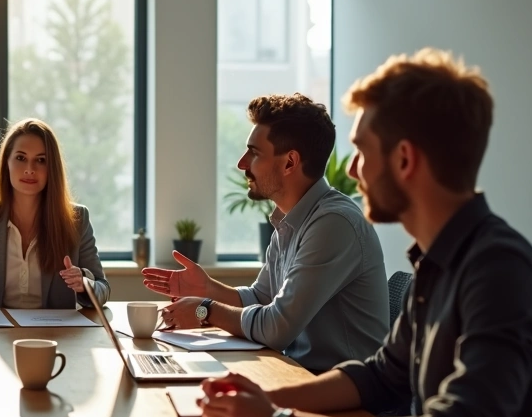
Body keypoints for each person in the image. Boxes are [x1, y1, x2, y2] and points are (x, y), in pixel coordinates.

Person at [199, 50, 532, 417]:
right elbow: (382, 375)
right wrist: (271, 400)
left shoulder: (499, 271)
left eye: (361, 151)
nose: (353, 171)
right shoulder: (441, 262)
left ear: (404, 159)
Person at [142, 94, 387, 373]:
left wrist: (205, 310)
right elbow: (262, 298)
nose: (242, 163)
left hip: (347, 400)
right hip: (298, 375)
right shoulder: (290, 218)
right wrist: (208, 289)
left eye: (254, 153)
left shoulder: (334, 223)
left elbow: (276, 327)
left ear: (289, 163)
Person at [0, 118, 109, 310]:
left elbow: (103, 287)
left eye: (41, 160)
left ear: (52, 168)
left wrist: (84, 283)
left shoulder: (77, 219)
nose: (29, 169)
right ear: (6, 163)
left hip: (56, 336)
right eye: (20, 158)